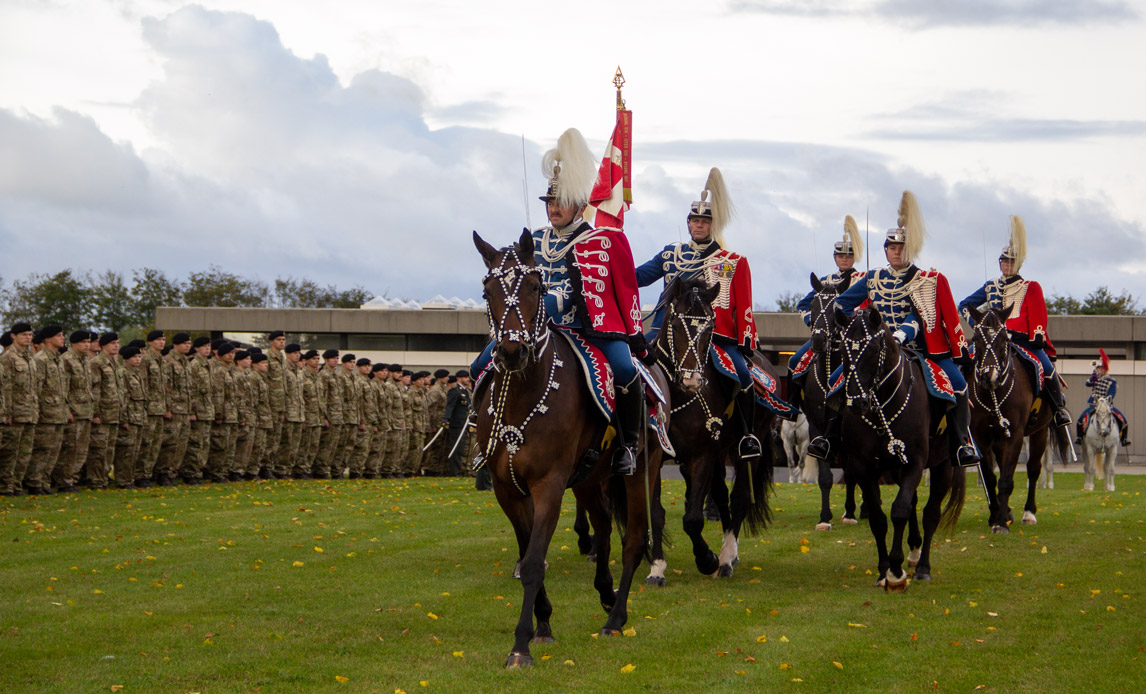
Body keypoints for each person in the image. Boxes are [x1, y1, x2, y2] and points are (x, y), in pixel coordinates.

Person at [472, 128, 647, 474]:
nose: (554, 208)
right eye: (550, 202)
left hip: (590, 330)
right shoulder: (533, 240)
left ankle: (628, 444)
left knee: (625, 370)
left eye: (561, 202)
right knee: (480, 366)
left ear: (580, 206)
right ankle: (485, 442)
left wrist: (545, 307)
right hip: (535, 330)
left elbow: (602, 290)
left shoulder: (600, 241)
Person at [834, 191, 979, 467]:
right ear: (885, 250)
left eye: (900, 248)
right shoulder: (873, 277)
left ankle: (962, 444)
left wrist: (901, 334)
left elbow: (918, 316)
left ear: (909, 249)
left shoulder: (923, 280)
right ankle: (830, 439)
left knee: (958, 385)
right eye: (891, 247)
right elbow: (843, 303)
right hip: (875, 350)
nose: (896, 252)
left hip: (921, 350)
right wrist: (856, 327)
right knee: (836, 383)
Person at [635, 167, 761, 460]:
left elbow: (743, 304)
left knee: (742, 375)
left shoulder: (730, 261)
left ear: (713, 225)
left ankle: (747, 434)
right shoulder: (670, 255)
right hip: (664, 332)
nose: (699, 225)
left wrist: (745, 339)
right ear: (688, 223)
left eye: (705, 221)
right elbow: (638, 277)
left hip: (711, 335)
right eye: (695, 220)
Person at [958, 215, 1070, 430]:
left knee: (1045, 368)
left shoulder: (1030, 286)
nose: (1007, 265)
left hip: (1022, 342)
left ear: (1018, 263)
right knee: (961, 363)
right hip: (991, 341)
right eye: (1003, 261)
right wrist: (978, 325)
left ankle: (1058, 409)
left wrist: (1035, 337)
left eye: (1011, 261)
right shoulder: (990, 286)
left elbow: (1039, 318)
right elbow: (965, 304)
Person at [789, 215, 867, 427]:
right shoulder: (825, 281)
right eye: (840, 255)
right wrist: (813, 323)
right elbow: (803, 305)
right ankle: (792, 406)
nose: (844, 259)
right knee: (794, 361)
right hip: (824, 335)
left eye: (849, 256)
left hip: (850, 336)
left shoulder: (862, 279)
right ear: (835, 257)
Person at [0, 323, 38, 496]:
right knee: (10, 451)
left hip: (29, 411)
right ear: (13, 336)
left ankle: (16, 484)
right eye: (24, 334)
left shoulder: (29, 357)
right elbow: (6, 387)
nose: (28, 337)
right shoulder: (9, 357)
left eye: (30, 335)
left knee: (25, 452)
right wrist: (6, 412)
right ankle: (5, 485)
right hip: (15, 411)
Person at [54, 330, 94, 492]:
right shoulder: (67, 360)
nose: (87, 345)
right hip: (73, 411)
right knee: (70, 448)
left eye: (88, 342)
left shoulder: (85, 360)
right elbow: (63, 388)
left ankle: (72, 479)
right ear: (74, 343)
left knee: (81, 449)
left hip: (85, 411)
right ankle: (64, 480)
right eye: (83, 342)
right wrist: (67, 410)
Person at [155, 332, 193, 486]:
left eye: (189, 343)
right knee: (170, 443)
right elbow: (165, 387)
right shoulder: (168, 361)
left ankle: (172, 473)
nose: (187, 346)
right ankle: (163, 473)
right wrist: (167, 408)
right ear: (176, 344)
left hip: (184, 409)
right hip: (174, 409)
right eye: (185, 343)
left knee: (181, 444)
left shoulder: (185, 362)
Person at [1076, 349, 1131, 446]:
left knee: (1123, 419)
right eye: (1099, 369)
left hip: (1107, 405)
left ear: (1106, 370)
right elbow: (1087, 384)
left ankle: (1124, 439)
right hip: (1094, 405)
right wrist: (1093, 378)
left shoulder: (1112, 381)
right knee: (1080, 419)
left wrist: (1106, 401)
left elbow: (1112, 393)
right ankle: (1079, 437)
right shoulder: (1094, 378)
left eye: (1102, 369)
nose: (1100, 370)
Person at [181, 336, 214, 484]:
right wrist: (192, 411)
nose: (207, 348)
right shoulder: (194, 365)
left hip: (207, 410)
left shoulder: (208, 365)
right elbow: (192, 389)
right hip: (198, 410)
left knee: (205, 444)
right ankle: (191, 473)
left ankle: (198, 471)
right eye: (204, 346)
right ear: (197, 349)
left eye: (209, 346)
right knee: (196, 443)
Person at [115, 344, 148, 488]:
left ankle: (130, 478)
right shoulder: (123, 373)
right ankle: (123, 480)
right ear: (126, 358)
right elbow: (123, 397)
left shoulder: (137, 373)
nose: (138, 359)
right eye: (134, 356)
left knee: (135, 450)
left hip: (139, 416)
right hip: (129, 416)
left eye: (139, 356)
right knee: (126, 451)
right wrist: (124, 419)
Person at [444, 369, 473, 477]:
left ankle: (461, 469)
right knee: (456, 448)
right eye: (465, 377)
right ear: (459, 378)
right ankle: (454, 471)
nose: (467, 379)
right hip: (457, 424)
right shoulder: (455, 391)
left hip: (464, 423)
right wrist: (447, 419)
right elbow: (450, 406)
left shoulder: (465, 391)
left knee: (462, 449)